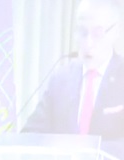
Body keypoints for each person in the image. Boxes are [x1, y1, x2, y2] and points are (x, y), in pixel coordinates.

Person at [23, 0, 124, 139]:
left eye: (97, 33)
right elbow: (30, 134)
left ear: (115, 32)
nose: (89, 43)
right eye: (82, 32)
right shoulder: (61, 79)